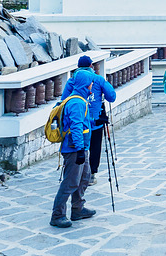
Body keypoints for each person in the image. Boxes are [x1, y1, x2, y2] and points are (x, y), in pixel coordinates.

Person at [61, 56, 116, 185]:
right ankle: (91, 174)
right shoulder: (98, 79)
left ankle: (75, 174)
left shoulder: (72, 81)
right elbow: (112, 97)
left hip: (78, 122)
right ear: (91, 65)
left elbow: (64, 101)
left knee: (77, 147)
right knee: (95, 148)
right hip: (96, 122)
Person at [50, 71, 95, 228]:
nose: (92, 85)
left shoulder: (80, 100)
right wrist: (80, 150)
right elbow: (76, 127)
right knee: (70, 182)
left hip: (81, 147)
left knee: (84, 178)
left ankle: (78, 209)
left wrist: (96, 120)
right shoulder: (77, 103)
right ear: (85, 84)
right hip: (74, 149)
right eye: (90, 82)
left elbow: (82, 123)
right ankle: (57, 215)